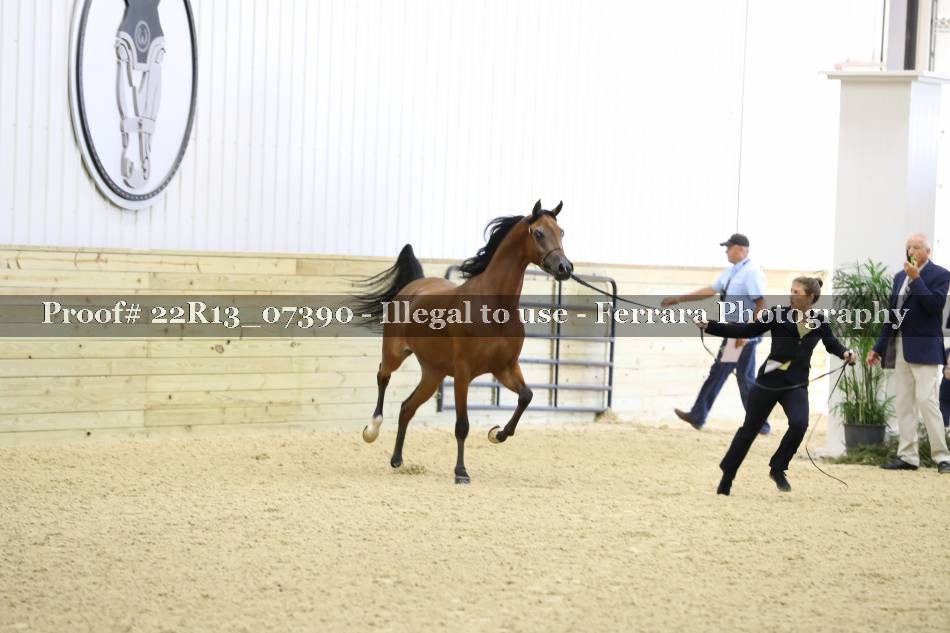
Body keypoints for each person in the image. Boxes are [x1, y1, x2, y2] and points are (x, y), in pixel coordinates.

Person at [696, 277, 856, 495]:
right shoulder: (777, 314)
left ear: (810, 297)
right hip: (768, 381)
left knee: (799, 424)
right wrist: (709, 325)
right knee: (749, 430)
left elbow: (832, 344)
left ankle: (778, 467)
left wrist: (846, 353)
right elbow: (744, 331)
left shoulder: (820, 321)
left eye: (796, 292)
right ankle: (727, 478)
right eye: (791, 290)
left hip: (796, 384)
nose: (791, 294)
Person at [663, 233, 771, 434]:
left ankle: (759, 424)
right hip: (735, 331)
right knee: (724, 373)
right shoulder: (732, 272)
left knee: (743, 377)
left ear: (742, 250)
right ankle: (699, 415)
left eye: (729, 247)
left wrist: (746, 333)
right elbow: (710, 290)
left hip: (744, 332)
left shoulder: (752, 273)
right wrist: (679, 299)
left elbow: (761, 305)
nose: (726, 251)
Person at [867, 234, 950, 474]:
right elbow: (892, 317)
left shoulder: (940, 275)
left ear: (927, 251)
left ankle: (943, 457)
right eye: (908, 247)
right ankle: (907, 456)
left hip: (925, 348)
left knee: (927, 401)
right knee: (904, 403)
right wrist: (877, 347)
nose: (911, 251)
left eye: (916, 247)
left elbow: (934, 307)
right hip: (901, 346)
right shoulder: (898, 277)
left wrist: (917, 279)